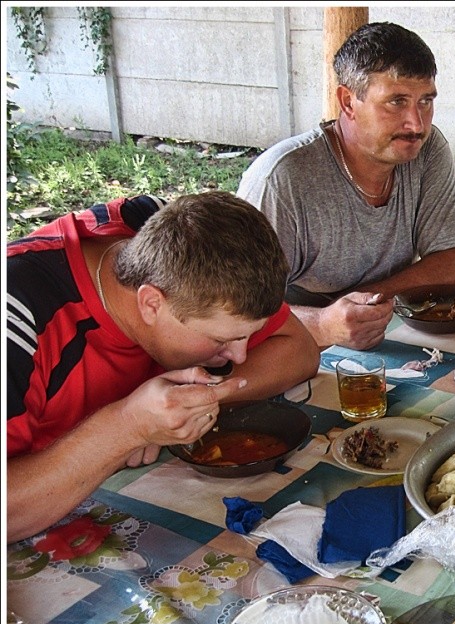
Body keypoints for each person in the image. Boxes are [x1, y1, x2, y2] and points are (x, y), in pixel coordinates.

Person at [6, 191, 320, 542]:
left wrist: (186, 404)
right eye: (220, 340)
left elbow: (299, 350)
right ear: (151, 303)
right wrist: (128, 428)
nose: (241, 357)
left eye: (249, 336)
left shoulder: (170, 232)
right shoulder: (16, 317)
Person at [238, 21, 455, 350]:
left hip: (381, 337)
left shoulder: (427, 149)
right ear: (348, 102)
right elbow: (234, 312)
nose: (417, 123)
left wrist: (361, 303)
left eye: (425, 101)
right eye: (396, 102)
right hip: (289, 346)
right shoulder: (283, 179)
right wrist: (323, 322)